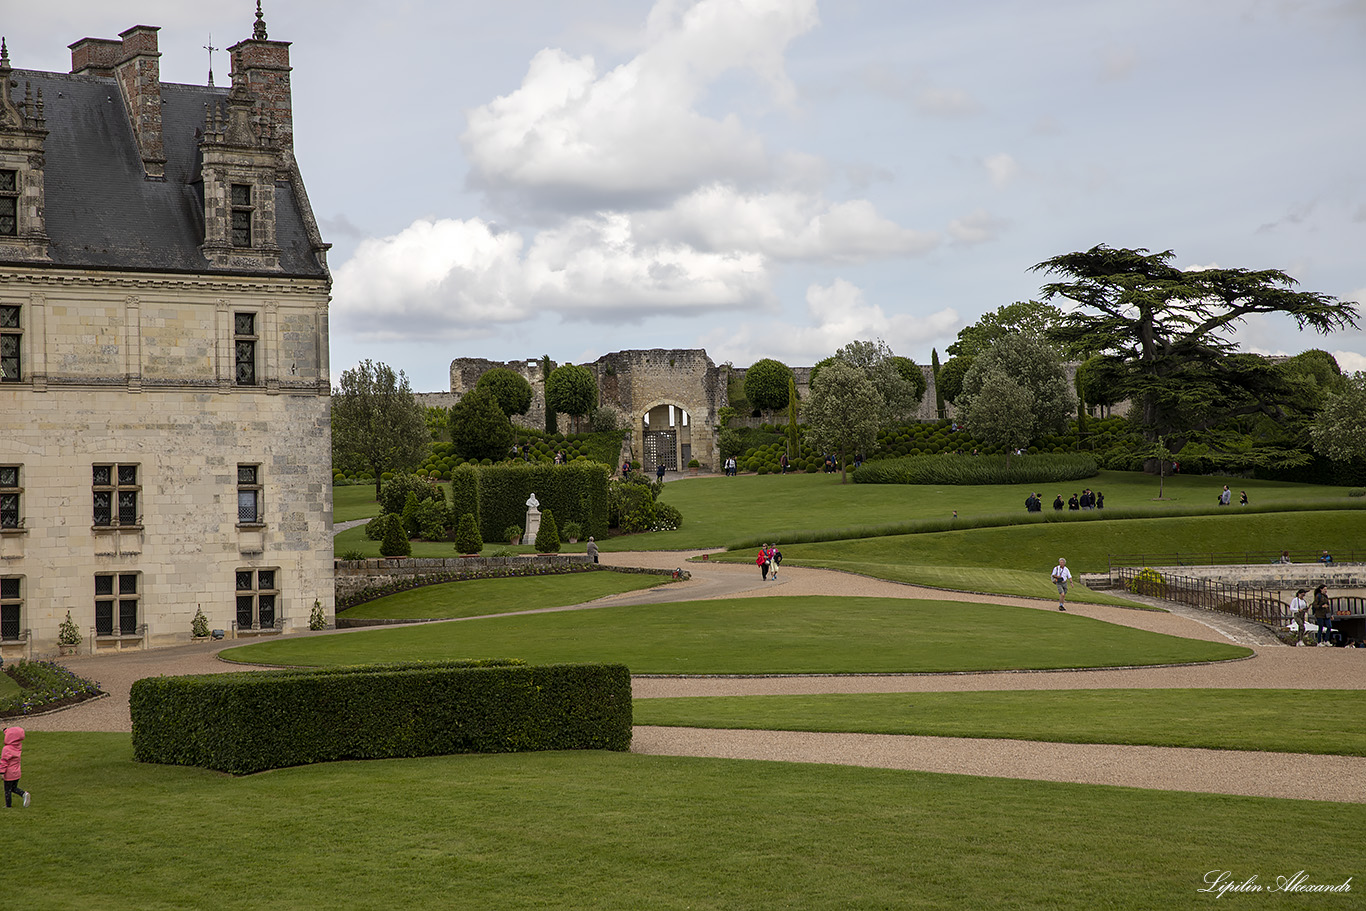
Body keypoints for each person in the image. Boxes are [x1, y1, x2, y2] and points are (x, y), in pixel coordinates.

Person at [2, 726, 28, 808]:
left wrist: (2, 772)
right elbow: (11, 735)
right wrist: (5, 729)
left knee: (7, 790)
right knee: (13, 788)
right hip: (17, 772)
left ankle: (8, 805)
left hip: (9, 773)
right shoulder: (18, 746)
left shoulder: (6, 749)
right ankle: (23, 794)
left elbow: (4, 761)